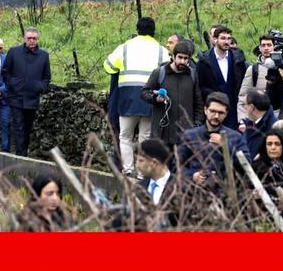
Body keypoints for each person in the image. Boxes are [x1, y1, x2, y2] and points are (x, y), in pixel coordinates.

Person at [104, 17, 170, 176]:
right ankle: (142, 174)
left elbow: (108, 66)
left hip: (127, 99)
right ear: (154, 31)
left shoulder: (124, 47)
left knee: (125, 136)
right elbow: (166, 73)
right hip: (150, 100)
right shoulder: (162, 51)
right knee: (145, 138)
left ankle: (127, 170)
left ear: (137, 29)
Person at [178, 92, 251, 189]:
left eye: (221, 113)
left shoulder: (235, 137)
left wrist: (226, 146)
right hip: (195, 191)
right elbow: (176, 165)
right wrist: (192, 176)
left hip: (225, 192)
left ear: (226, 114)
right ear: (205, 110)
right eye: (212, 111)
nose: (216, 116)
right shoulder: (190, 135)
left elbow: (246, 165)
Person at [141, 40, 203, 150]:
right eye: (180, 57)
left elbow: (198, 102)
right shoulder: (159, 72)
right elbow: (144, 93)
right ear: (173, 57)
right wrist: (156, 98)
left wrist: (197, 124)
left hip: (185, 133)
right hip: (162, 132)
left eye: (186, 58)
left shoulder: (192, 75)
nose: (182, 61)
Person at [3, 27, 51, 156]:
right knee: (18, 126)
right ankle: (21, 155)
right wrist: (12, 84)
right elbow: (5, 72)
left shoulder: (43, 55)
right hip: (16, 97)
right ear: (24, 38)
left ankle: (23, 153)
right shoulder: (14, 52)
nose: (32, 41)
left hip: (32, 98)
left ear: (38, 39)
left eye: (34, 38)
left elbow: (46, 77)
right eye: (29, 38)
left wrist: (40, 87)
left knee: (27, 128)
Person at [196, 25, 247, 129]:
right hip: (213, 113)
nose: (227, 41)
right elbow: (199, 87)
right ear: (215, 39)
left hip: (234, 113)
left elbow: (243, 85)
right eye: (223, 38)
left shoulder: (237, 59)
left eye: (229, 38)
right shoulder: (204, 61)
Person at [136, 139, 182, 228]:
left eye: (141, 161)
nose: (137, 166)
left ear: (153, 163)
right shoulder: (138, 187)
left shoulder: (179, 187)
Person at [237, 34, 275, 122]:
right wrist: (242, 120)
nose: (266, 48)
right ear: (260, 48)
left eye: (269, 45)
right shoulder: (253, 69)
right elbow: (243, 96)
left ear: (274, 47)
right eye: (263, 45)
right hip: (258, 117)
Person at [240, 89, 277, 156]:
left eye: (244, 104)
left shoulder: (274, 128)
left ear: (251, 107)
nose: (244, 108)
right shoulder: (250, 123)